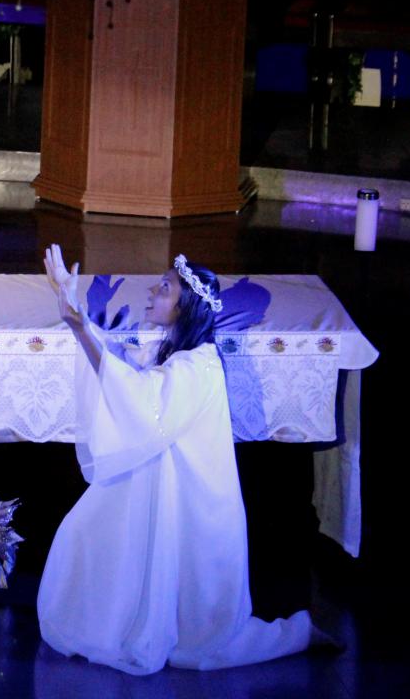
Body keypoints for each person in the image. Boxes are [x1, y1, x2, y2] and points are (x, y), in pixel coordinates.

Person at [37, 244, 329, 675]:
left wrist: (79, 326)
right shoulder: (170, 351)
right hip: (166, 496)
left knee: (202, 640)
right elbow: (122, 371)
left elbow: (141, 403)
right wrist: (77, 314)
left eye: (165, 288)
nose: (152, 292)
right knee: (84, 528)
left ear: (185, 307)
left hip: (195, 506)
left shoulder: (198, 367)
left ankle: (298, 635)